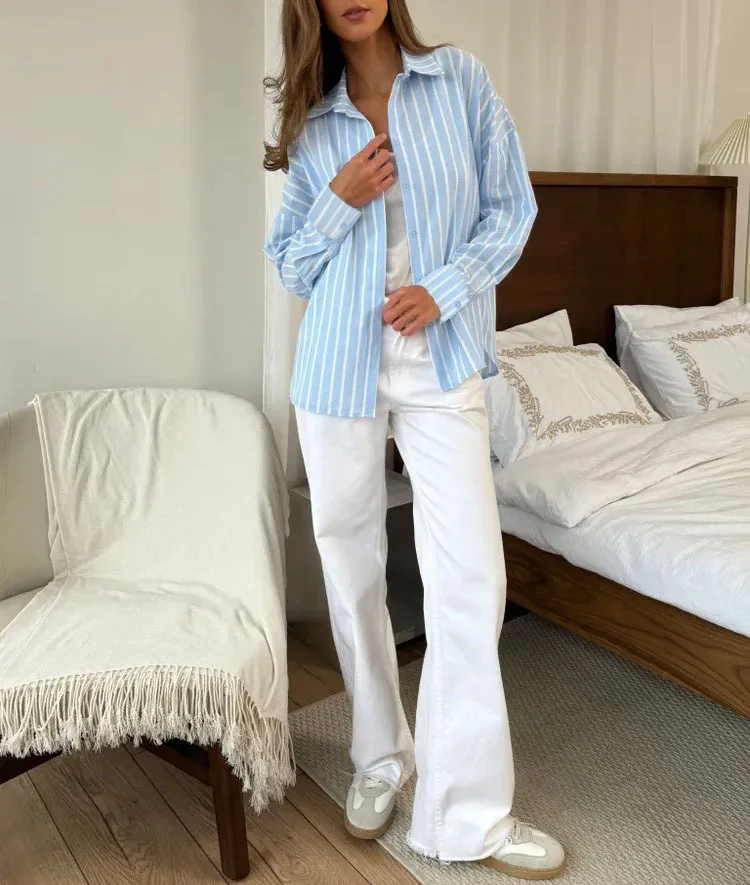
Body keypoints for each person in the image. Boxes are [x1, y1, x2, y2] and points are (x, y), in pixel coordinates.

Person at [264, 0, 564, 878]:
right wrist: (339, 200)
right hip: (338, 367)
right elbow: (291, 263)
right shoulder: (312, 121)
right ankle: (379, 756)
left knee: (471, 575)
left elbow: (511, 210)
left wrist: (445, 287)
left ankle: (467, 813)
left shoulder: (459, 82)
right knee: (351, 566)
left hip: (440, 361)